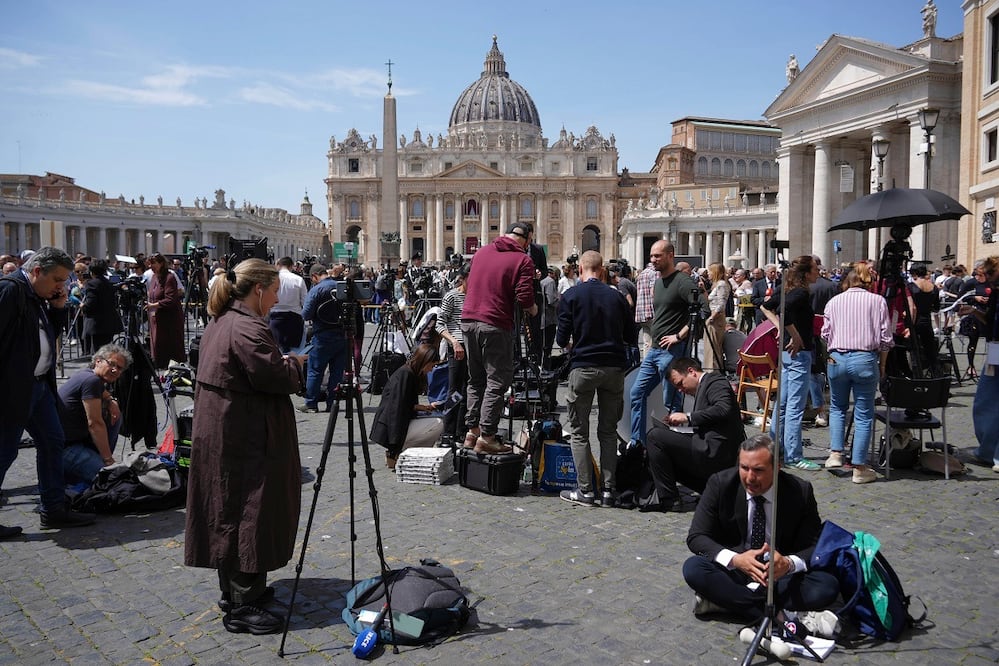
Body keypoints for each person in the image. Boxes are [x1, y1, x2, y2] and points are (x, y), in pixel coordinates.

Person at [184, 258, 305, 635]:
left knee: (231, 509)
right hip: (243, 435)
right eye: (272, 293)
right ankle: (242, 604)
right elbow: (274, 376)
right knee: (247, 510)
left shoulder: (225, 321)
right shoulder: (245, 328)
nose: (273, 300)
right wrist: (298, 363)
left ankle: (240, 592)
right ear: (258, 290)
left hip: (231, 429)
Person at [682, 435, 839, 622]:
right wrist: (736, 559)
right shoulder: (720, 484)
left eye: (758, 470)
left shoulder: (800, 491)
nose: (749, 478)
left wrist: (788, 563)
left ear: (776, 468)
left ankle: (727, 602)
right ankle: (781, 616)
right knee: (694, 568)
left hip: (777, 574)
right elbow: (697, 536)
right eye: (744, 468)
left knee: (827, 586)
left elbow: (814, 545)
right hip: (736, 569)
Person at [0, 246, 96, 536]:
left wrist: (57, 309)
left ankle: (53, 509)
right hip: (14, 389)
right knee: (4, 452)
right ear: (37, 271)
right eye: (57, 280)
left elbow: (47, 336)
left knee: (53, 442)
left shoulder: (38, 295)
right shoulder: (10, 291)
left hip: (40, 386)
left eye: (65, 280)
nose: (62, 286)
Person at [555, 251, 635, 507]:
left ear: (580, 269)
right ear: (602, 270)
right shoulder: (618, 297)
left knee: (579, 432)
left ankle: (586, 490)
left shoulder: (570, 296)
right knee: (608, 431)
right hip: (614, 367)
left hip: (584, 366)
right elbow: (631, 336)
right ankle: (609, 491)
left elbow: (561, 338)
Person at [460, 222, 538, 453]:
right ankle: (488, 436)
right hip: (494, 322)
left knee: (475, 380)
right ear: (527, 238)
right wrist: (533, 309)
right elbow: (524, 297)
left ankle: (471, 432)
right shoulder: (523, 259)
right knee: (497, 381)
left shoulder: (482, 251)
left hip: (467, 320)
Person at [627, 240, 704, 449]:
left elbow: (702, 310)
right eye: (651, 256)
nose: (653, 260)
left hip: (672, 351)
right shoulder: (658, 281)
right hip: (655, 350)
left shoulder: (683, 282)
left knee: (671, 402)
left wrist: (679, 336)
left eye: (657, 256)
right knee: (636, 393)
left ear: (671, 255)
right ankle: (637, 442)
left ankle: (675, 447)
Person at [820, 263, 892, 483]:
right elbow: (886, 338)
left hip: (836, 357)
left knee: (838, 407)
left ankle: (835, 453)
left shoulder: (833, 302)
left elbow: (825, 333)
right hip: (864, 358)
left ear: (846, 282)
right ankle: (859, 466)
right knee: (863, 412)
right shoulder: (877, 301)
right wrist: (882, 365)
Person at [645, 356, 745, 511]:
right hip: (710, 448)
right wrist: (680, 425)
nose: (680, 390)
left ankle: (670, 500)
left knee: (655, 437)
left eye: (680, 383)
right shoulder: (705, 386)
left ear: (691, 372)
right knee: (662, 446)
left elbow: (723, 409)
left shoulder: (714, 381)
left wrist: (688, 417)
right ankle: (710, 491)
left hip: (717, 452)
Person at [59, 344, 132, 487]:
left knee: (115, 416)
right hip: (65, 449)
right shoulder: (91, 381)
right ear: (98, 361)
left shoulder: (86, 374)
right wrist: (109, 460)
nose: (115, 370)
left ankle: (84, 473)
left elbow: (98, 389)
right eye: (112, 364)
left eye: (119, 368)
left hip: (72, 443)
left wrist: (111, 400)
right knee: (113, 480)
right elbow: (95, 424)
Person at [369, 344, 445, 469]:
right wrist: (394, 446)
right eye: (431, 366)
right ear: (424, 362)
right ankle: (406, 452)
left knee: (434, 420)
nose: (431, 370)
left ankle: (404, 451)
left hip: (389, 426)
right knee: (438, 423)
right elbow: (396, 409)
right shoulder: (406, 375)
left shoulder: (408, 372)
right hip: (390, 430)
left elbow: (402, 403)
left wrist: (420, 407)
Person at [961, 256, 999, 471]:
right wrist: (974, 311)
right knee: (986, 400)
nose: (989, 283)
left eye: (990, 277)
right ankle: (987, 449)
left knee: (990, 400)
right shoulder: (994, 293)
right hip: (996, 348)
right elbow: (990, 320)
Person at [300, 264, 348, 413]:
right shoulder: (342, 287)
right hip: (342, 334)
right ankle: (333, 403)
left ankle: (311, 403)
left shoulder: (316, 290)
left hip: (322, 335)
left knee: (315, 370)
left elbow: (306, 314)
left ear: (314, 276)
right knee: (337, 372)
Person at [436, 263, 470, 440]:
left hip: (473, 348)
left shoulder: (477, 296)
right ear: (462, 279)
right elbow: (439, 324)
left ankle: (462, 429)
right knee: (455, 390)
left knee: (469, 390)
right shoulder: (451, 297)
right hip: (456, 347)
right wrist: (454, 342)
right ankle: (449, 430)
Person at [146, 253, 186, 369]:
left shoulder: (169, 277)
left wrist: (154, 305)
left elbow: (170, 299)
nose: (151, 266)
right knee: (156, 344)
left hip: (169, 319)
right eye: (150, 264)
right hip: (156, 317)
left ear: (161, 263)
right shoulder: (154, 277)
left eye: (154, 263)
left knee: (168, 346)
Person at [80, 259, 123, 356]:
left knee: (98, 353)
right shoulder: (109, 282)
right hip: (109, 322)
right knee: (106, 351)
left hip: (97, 324)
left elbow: (91, 303)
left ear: (92, 271)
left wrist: (83, 306)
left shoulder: (91, 284)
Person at [268, 256, 308, 353]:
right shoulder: (298, 279)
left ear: (278, 265)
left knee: (277, 350)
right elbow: (305, 301)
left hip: (275, 317)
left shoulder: (271, 279)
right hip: (294, 318)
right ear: (291, 266)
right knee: (295, 352)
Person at [908, 264, 940, 375]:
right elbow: (936, 307)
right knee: (931, 351)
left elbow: (911, 307)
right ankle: (937, 376)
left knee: (914, 350)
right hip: (927, 320)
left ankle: (917, 376)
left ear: (914, 273)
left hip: (915, 320)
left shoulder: (911, 286)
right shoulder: (934, 287)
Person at [702, 263, 730, 372]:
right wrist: (704, 289)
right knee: (710, 346)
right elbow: (709, 300)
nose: (708, 273)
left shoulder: (721, 284)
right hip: (714, 316)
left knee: (713, 347)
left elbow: (721, 304)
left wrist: (712, 318)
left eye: (710, 271)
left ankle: (713, 370)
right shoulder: (716, 284)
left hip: (716, 318)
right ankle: (711, 369)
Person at [539, 266, 559, 367]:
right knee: (548, 346)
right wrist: (560, 299)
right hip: (549, 319)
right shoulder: (550, 282)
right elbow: (551, 300)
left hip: (541, 319)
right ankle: (546, 367)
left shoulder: (541, 281)